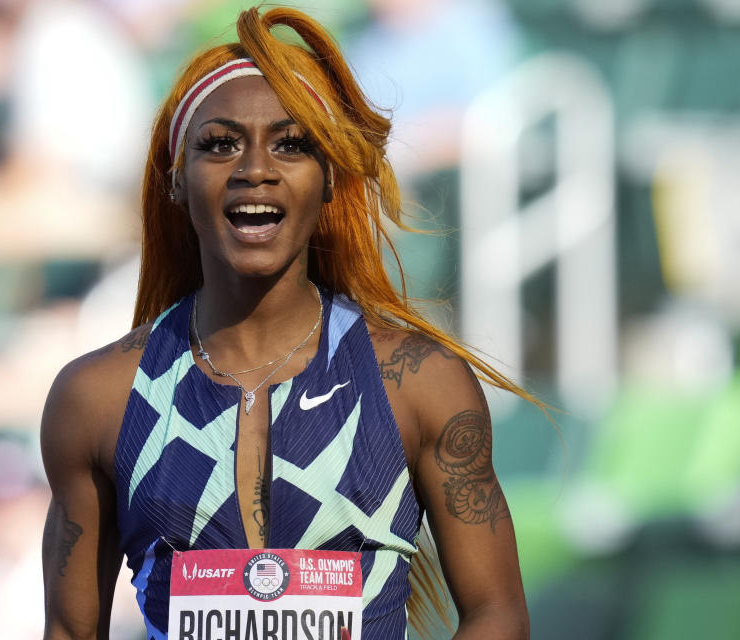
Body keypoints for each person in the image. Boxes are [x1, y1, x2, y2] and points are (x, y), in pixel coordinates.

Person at [41, 6, 533, 639]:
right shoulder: (96, 398)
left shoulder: (420, 383)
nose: (255, 169)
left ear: (330, 180)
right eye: (219, 145)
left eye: (292, 144)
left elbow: (498, 615)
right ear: (175, 181)